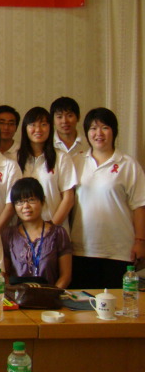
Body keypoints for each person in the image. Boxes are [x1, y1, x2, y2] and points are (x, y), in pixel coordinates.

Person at [70, 107, 145, 289]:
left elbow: (139, 206)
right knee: (82, 302)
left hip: (118, 250)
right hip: (81, 248)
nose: (99, 133)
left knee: (118, 302)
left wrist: (140, 242)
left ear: (114, 131)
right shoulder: (76, 161)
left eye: (105, 128)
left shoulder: (128, 164)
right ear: (87, 133)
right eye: (93, 128)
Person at [1, 107, 77, 231]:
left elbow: (68, 199)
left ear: (50, 128)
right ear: (25, 128)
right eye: (33, 125)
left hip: (55, 230)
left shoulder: (61, 157)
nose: (38, 129)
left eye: (43, 124)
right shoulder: (14, 158)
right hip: (22, 232)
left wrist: (50, 229)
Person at [1, 178, 72, 288]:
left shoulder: (58, 233)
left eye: (31, 200)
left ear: (42, 201)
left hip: (51, 296)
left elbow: (65, 276)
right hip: (17, 296)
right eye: (20, 202)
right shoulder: (8, 235)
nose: (26, 206)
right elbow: (4, 274)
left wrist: (52, 294)